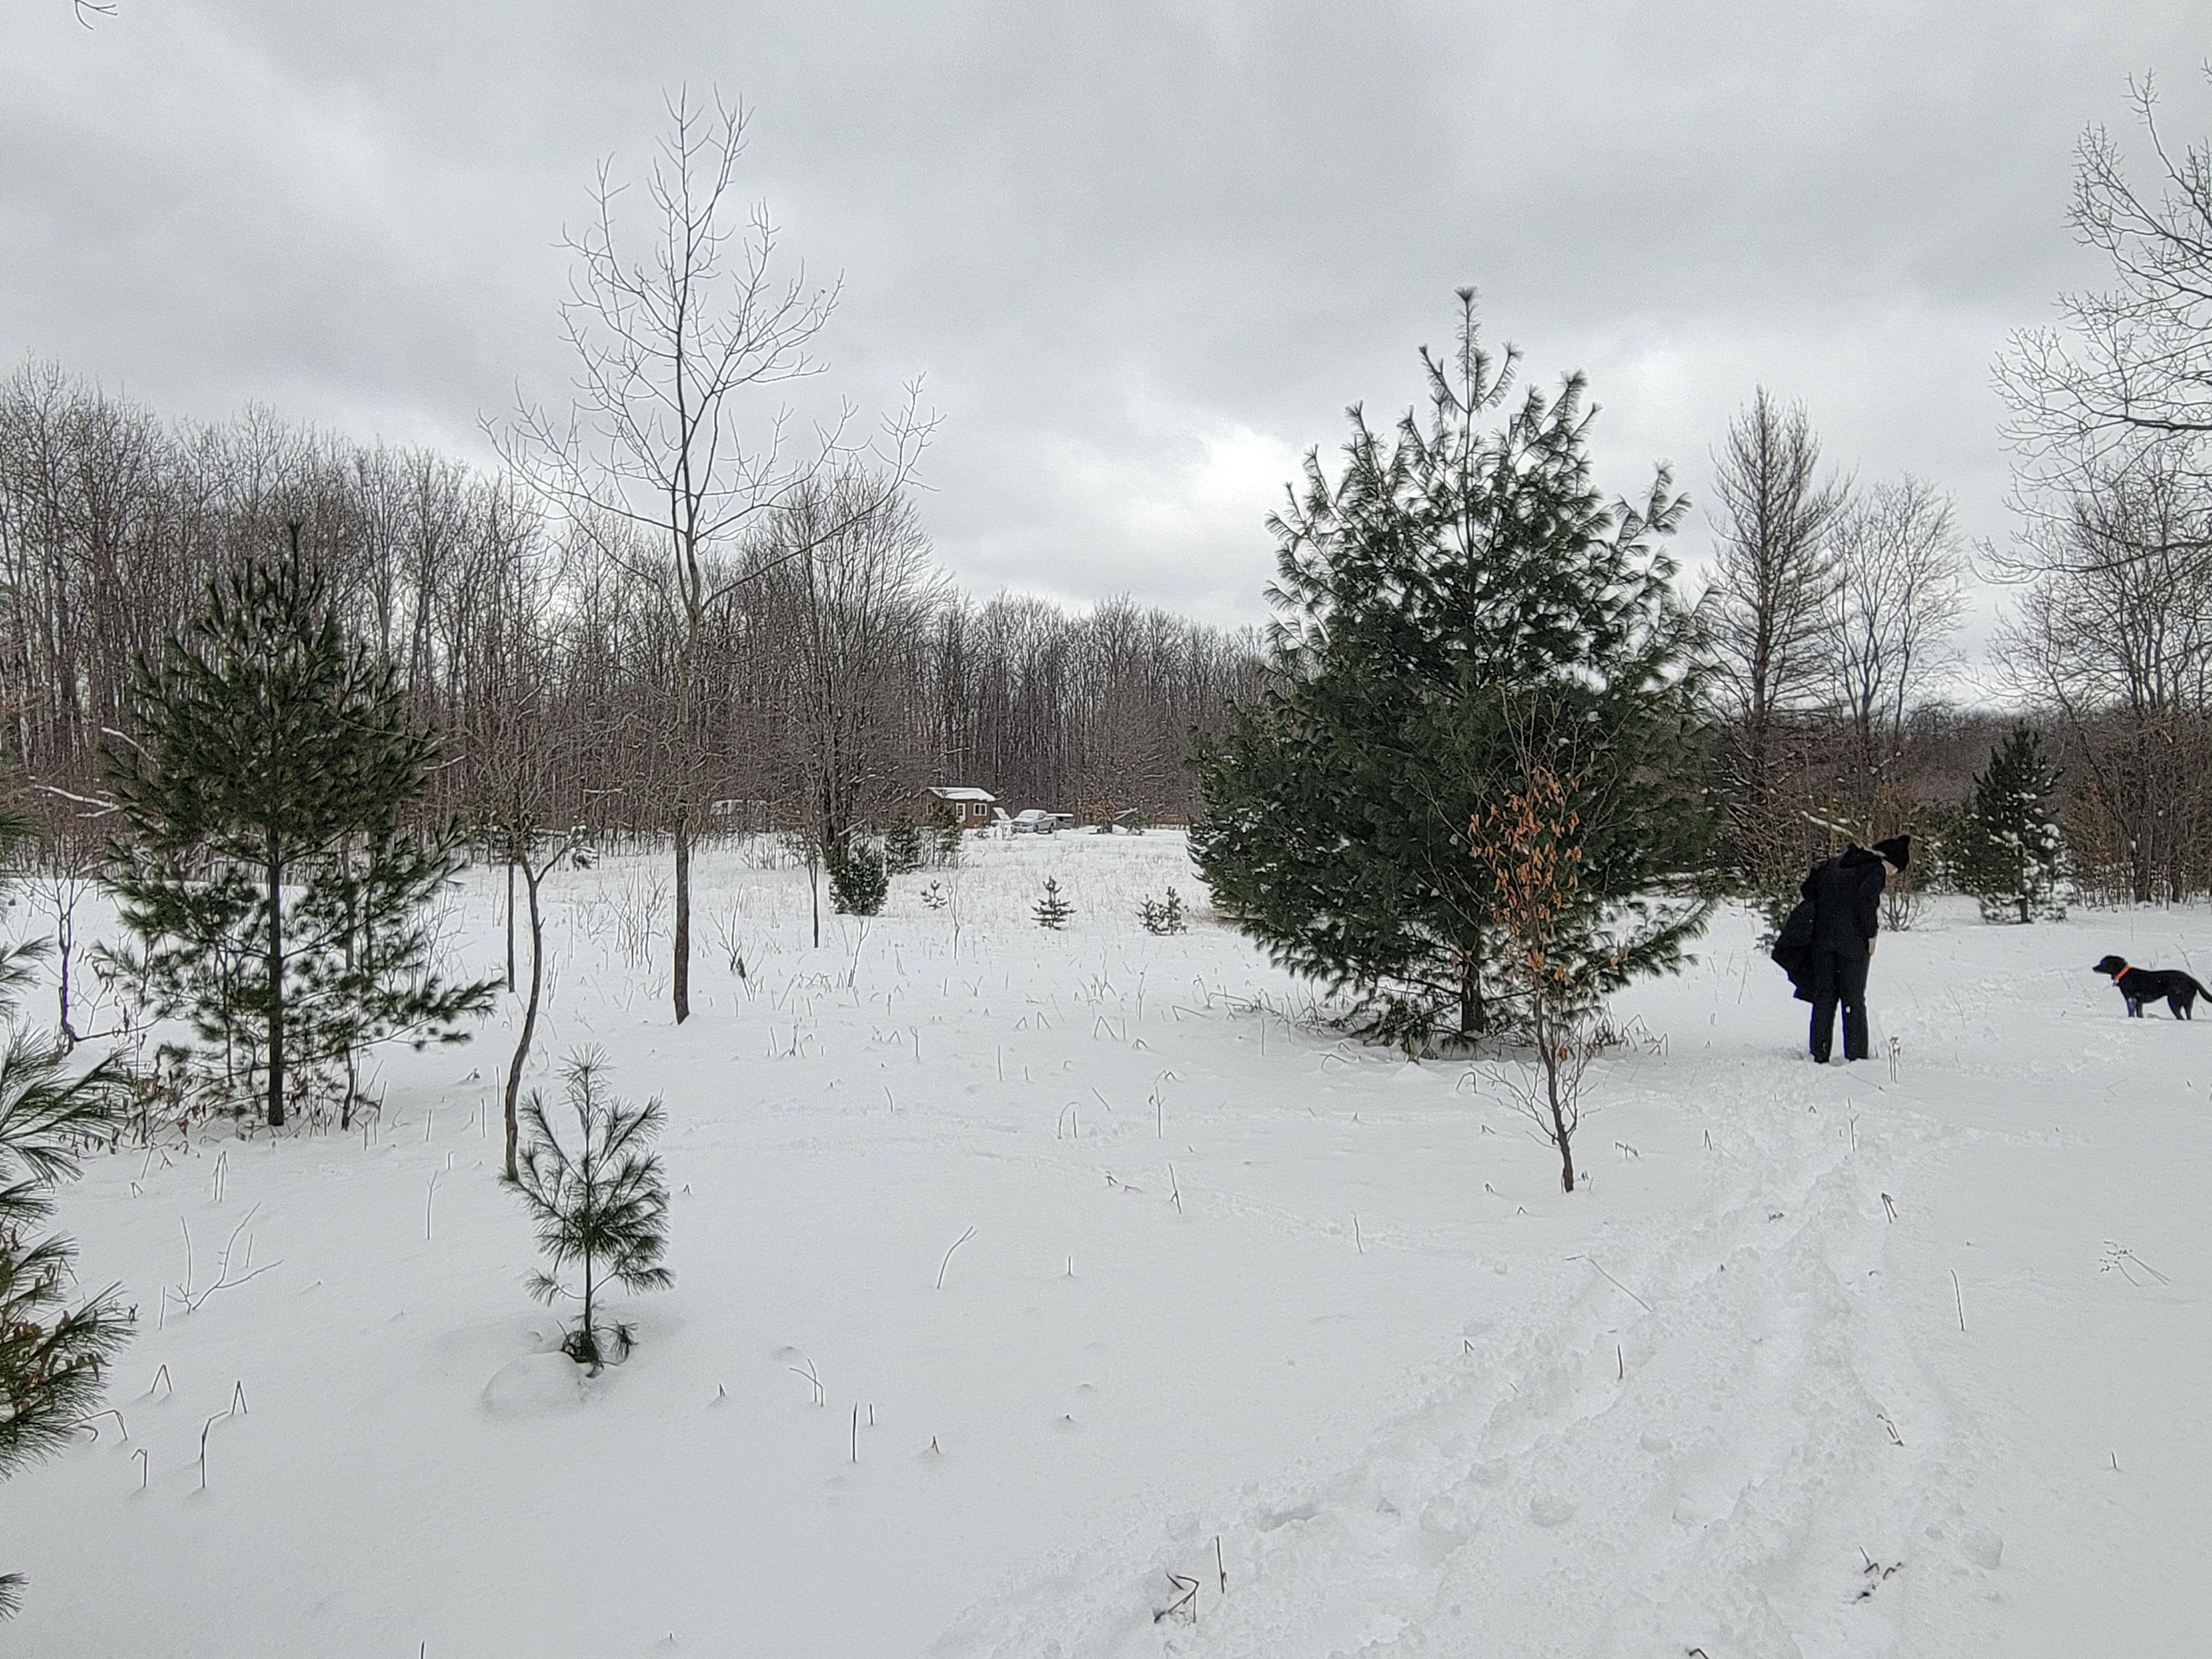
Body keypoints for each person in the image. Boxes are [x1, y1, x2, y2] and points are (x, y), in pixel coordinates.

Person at [1771, 835, 1910, 1063]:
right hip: (1853, 944)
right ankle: (1856, 1055)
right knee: (1853, 999)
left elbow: (1808, 890)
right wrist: (1870, 934)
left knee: (1824, 997)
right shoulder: (1873, 870)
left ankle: (1819, 1051)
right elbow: (1866, 902)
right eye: (1894, 870)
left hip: (1822, 942)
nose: (1891, 875)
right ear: (1888, 861)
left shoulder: (1834, 863)